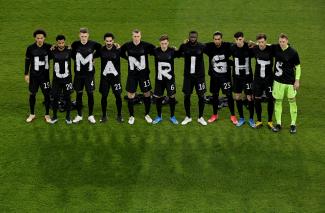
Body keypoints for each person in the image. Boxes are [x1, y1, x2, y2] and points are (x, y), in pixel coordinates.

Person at [120, 29, 155, 125]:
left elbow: (157, 51)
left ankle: (147, 114)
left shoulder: (146, 45)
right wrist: (127, 58)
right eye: (134, 36)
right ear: (132, 36)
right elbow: (120, 52)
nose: (136, 38)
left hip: (144, 75)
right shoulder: (127, 45)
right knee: (130, 95)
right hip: (132, 75)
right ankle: (131, 116)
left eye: (138, 36)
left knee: (147, 94)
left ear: (140, 36)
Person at [204, 31, 238, 125]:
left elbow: (238, 45)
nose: (217, 41)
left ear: (221, 39)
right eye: (215, 39)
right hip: (214, 77)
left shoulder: (227, 46)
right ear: (213, 39)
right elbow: (198, 46)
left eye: (219, 39)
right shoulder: (209, 46)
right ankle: (214, 115)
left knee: (229, 95)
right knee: (215, 96)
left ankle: (233, 115)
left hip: (225, 77)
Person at [271, 33, 301, 134]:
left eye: (283, 42)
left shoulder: (293, 52)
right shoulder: (276, 48)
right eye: (280, 42)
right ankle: (278, 124)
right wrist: (255, 44)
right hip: (278, 82)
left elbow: (298, 66)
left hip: (289, 82)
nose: (281, 43)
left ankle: (293, 124)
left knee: (292, 101)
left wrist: (297, 80)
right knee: (278, 102)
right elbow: (266, 45)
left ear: (287, 41)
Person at [71, 28, 101, 124]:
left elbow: (101, 49)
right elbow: (71, 54)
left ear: (88, 36)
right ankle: (79, 115)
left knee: (90, 94)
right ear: (79, 36)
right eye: (82, 36)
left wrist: (93, 57)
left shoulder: (93, 44)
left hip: (89, 75)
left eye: (85, 36)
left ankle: (90, 115)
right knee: (79, 94)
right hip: (78, 75)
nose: (83, 38)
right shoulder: (75, 44)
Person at [178, 31, 207, 126]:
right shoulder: (184, 46)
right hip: (188, 77)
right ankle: (188, 116)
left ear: (197, 37)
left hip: (199, 77)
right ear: (189, 37)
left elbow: (212, 51)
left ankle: (200, 117)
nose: (193, 38)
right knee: (187, 95)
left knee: (201, 96)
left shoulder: (202, 46)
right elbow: (178, 53)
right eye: (191, 37)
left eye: (194, 37)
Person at [24, 29, 52, 123]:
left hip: (45, 77)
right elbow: (27, 61)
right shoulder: (30, 48)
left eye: (41, 38)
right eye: (38, 38)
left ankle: (47, 114)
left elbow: (59, 52)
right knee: (32, 94)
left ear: (44, 38)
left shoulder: (49, 47)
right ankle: (32, 114)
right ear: (35, 38)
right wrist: (26, 74)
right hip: (34, 76)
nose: (40, 40)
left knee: (47, 95)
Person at [96, 32, 123, 123]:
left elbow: (129, 55)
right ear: (104, 41)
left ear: (113, 41)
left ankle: (119, 115)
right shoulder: (101, 50)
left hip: (115, 78)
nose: (109, 43)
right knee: (104, 96)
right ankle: (104, 115)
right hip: (105, 78)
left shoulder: (118, 49)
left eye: (110, 41)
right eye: (107, 41)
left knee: (118, 96)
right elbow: (91, 55)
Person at [151, 34, 179, 124]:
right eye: (162, 43)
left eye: (165, 43)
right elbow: (145, 49)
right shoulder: (155, 51)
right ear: (160, 43)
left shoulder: (172, 51)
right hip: (159, 80)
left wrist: (182, 46)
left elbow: (182, 53)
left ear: (168, 43)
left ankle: (172, 116)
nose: (163, 45)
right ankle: (159, 116)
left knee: (172, 97)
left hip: (170, 80)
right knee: (158, 97)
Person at [230, 32, 255, 128]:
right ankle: (241, 118)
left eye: (240, 39)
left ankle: (251, 119)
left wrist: (254, 44)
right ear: (234, 40)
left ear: (243, 39)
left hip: (247, 77)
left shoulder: (249, 47)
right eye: (237, 40)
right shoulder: (232, 47)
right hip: (236, 77)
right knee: (237, 97)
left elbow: (261, 49)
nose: (238, 42)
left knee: (249, 97)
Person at [250, 33, 274, 129]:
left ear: (266, 41)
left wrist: (269, 45)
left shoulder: (271, 49)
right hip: (258, 79)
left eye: (263, 42)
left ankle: (270, 121)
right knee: (257, 99)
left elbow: (284, 46)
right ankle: (259, 120)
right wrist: (251, 43)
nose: (261, 44)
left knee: (270, 99)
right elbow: (246, 46)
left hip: (269, 79)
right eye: (259, 42)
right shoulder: (255, 49)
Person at [50, 35, 73, 124]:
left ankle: (68, 116)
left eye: (63, 42)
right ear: (57, 43)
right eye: (59, 43)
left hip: (67, 79)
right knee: (55, 98)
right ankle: (55, 116)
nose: (61, 44)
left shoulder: (69, 50)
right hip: (56, 79)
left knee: (68, 97)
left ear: (65, 42)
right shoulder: (52, 50)